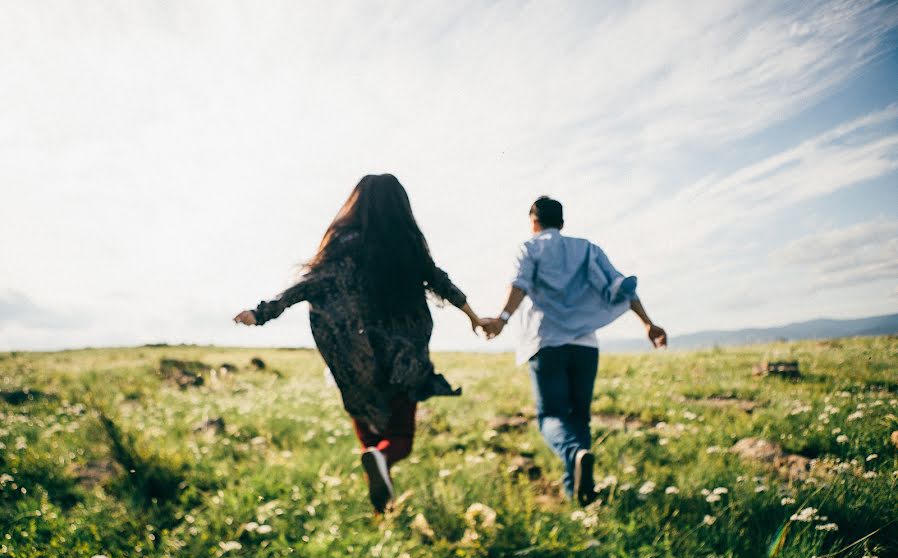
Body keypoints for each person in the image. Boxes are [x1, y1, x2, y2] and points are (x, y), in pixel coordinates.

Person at [234, 174, 485, 512]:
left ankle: (384, 509)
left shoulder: (341, 246)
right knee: (399, 441)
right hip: (403, 361)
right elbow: (440, 281)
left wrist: (262, 312)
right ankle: (383, 469)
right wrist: (474, 316)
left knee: (369, 438)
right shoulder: (406, 246)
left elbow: (308, 284)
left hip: (357, 361)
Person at [482, 196, 667, 506]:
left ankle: (573, 456)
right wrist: (648, 323)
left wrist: (501, 320)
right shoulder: (587, 248)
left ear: (533, 223)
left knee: (551, 416)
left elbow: (519, 284)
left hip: (547, 343)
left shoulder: (530, 248)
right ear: (563, 223)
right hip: (585, 346)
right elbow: (622, 285)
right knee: (579, 418)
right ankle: (581, 492)